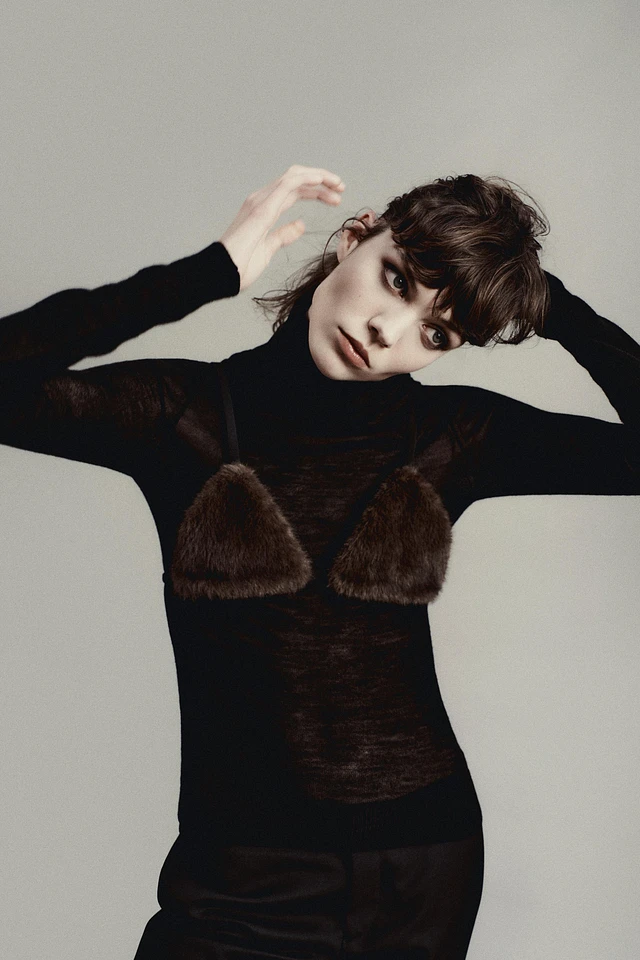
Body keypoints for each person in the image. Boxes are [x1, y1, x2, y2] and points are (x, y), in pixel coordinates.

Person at [1, 164, 638, 959]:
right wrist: (205, 273)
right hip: (240, 881)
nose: (387, 331)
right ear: (355, 236)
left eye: (436, 334)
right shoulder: (179, 417)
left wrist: (557, 308)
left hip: (421, 868)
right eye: (396, 280)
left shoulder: (456, 438)